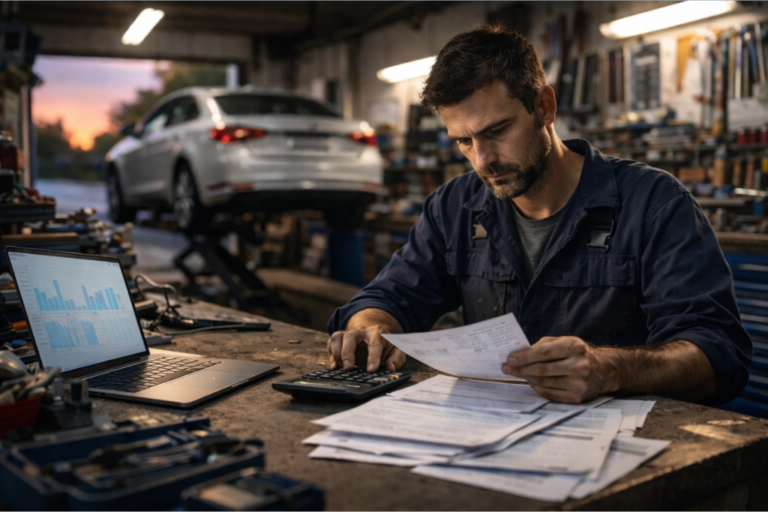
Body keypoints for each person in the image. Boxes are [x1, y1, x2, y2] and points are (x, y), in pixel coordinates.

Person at [327, 25, 752, 404]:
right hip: (488, 438)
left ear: (544, 107)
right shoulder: (454, 207)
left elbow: (717, 352)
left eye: (496, 132)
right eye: (463, 141)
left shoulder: (654, 204)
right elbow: (391, 296)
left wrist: (612, 369)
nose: (483, 160)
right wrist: (372, 324)